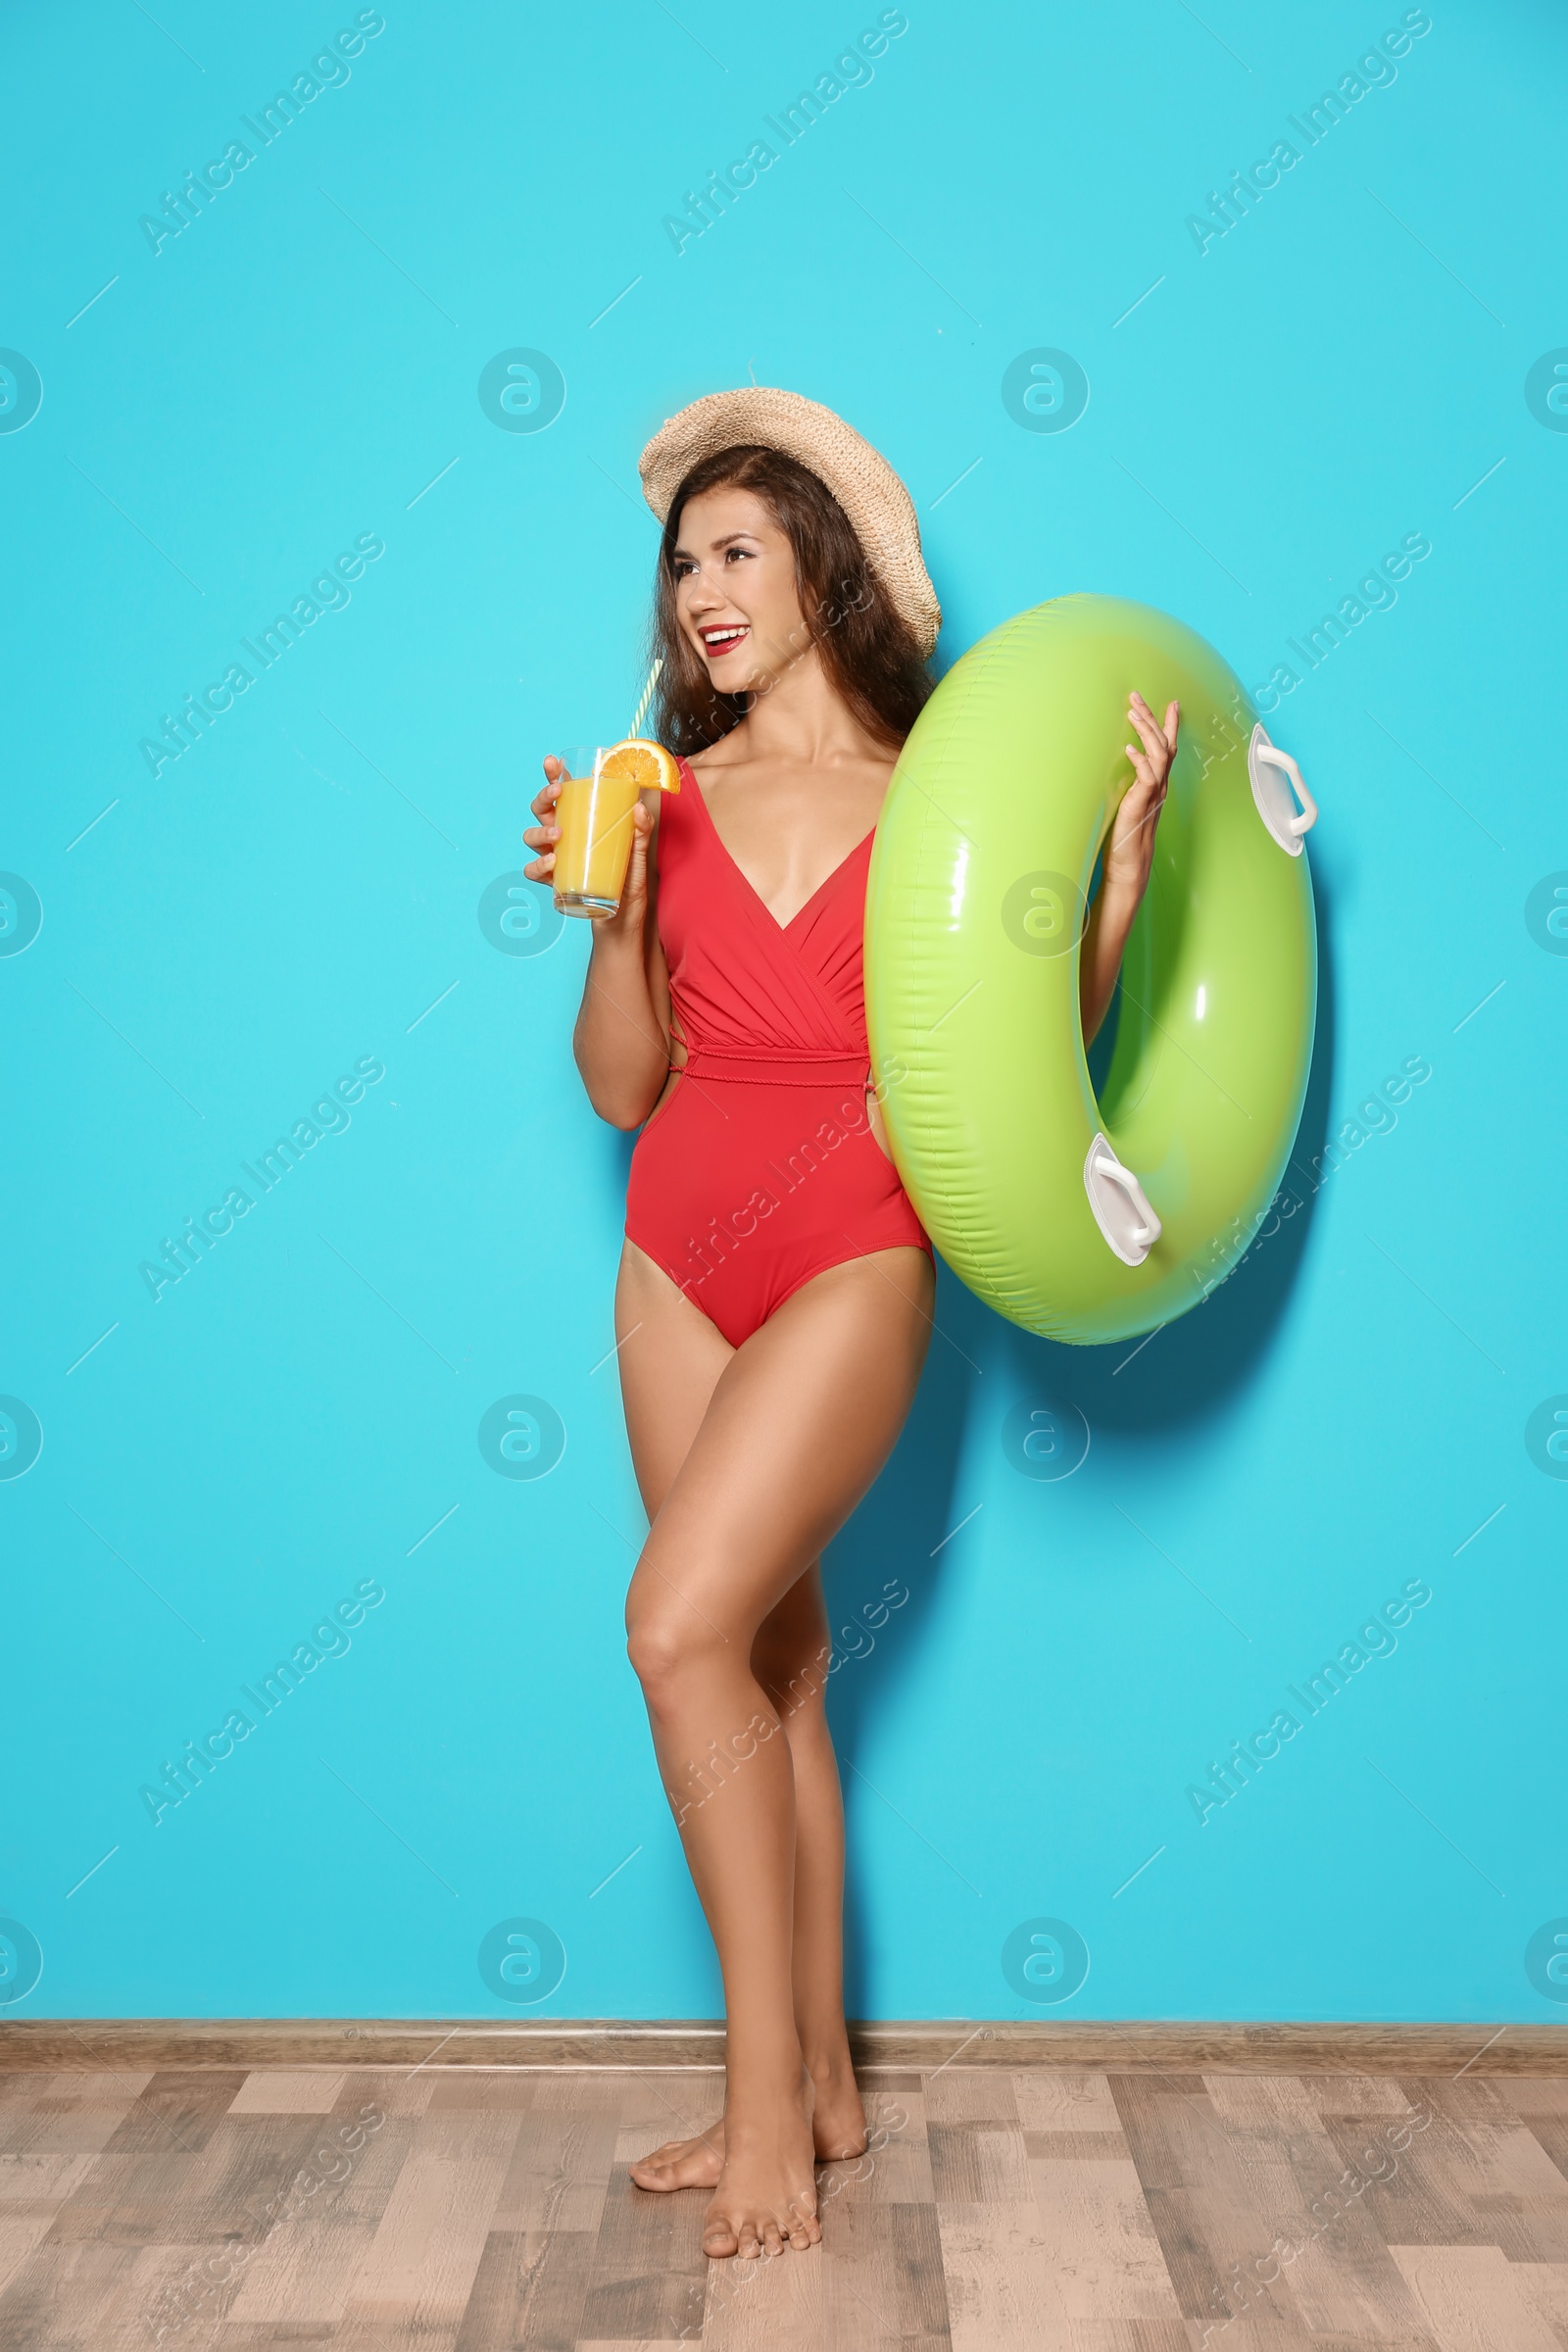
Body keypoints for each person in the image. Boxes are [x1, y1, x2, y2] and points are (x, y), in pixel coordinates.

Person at [523, 389, 1177, 2261]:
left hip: (852, 1244)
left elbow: (1020, 1059)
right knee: (772, 1663)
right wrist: (605, 915)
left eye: (738, 549)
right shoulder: (663, 793)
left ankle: (756, 2121)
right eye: (682, 562)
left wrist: (1115, 887)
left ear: (825, 564)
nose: (702, 589)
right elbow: (619, 1090)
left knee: (674, 1624)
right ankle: (811, 2082)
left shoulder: (944, 796)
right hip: (673, 1251)